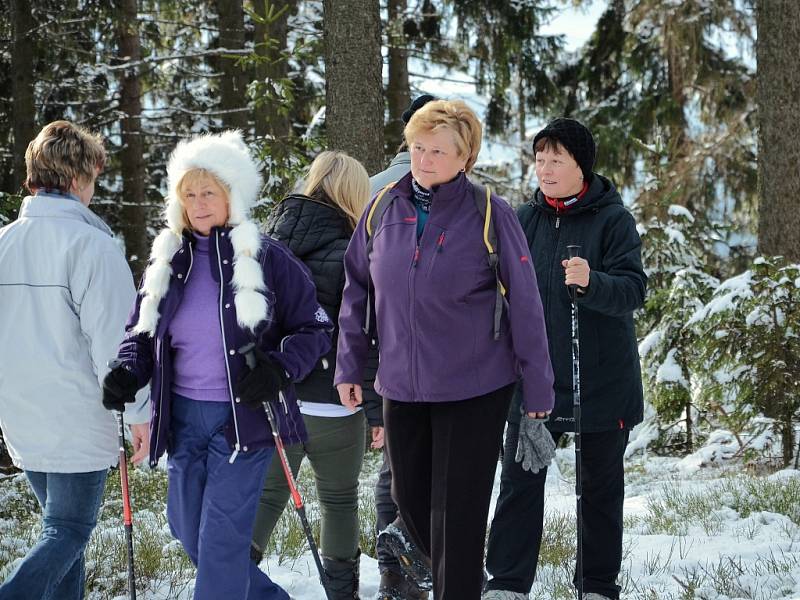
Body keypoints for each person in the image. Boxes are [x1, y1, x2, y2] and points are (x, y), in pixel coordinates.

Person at [334, 99, 555, 600]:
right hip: (402, 385)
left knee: (457, 516)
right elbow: (355, 290)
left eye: (438, 150)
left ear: (465, 158)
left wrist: (539, 386)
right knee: (408, 501)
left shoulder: (488, 213)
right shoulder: (383, 207)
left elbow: (525, 302)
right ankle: (449, 576)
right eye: (417, 147)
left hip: (474, 386)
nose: (424, 159)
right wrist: (349, 363)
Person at [102, 131, 332, 600]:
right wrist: (127, 371)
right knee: (189, 530)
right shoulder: (168, 262)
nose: (198, 203)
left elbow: (315, 327)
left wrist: (279, 368)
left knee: (223, 540)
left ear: (232, 194)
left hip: (243, 420)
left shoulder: (267, 257)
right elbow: (141, 336)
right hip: (185, 418)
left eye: (208, 192)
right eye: (189, 194)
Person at [482, 118, 647, 600]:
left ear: (581, 166)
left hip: (601, 379)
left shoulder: (612, 219)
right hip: (536, 381)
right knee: (520, 481)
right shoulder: (523, 218)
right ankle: (507, 584)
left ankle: (596, 585)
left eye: (558, 159)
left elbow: (634, 290)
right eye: (540, 158)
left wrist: (594, 281)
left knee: (599, 490)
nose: (546, 168)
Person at [0, 120, 149, 600]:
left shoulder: (4, 244)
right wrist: (141, 414)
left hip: (21, 412)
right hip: (75, 414)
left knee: (63, 540)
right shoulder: (91, 246)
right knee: (67, 530)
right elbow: (119, 343)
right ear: (80, 179)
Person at [251, 150, 381, 599]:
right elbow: (365, 331)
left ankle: (231, 579)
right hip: (335, 399)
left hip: (275, 396)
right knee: (340, 499)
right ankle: (342, 594)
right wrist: (376, 403)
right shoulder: (357, 249)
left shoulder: (266, 242)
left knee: (266, 497)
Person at [368, 93, 437, 600]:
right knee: (434, 464)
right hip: (432, 351)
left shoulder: (368, 190)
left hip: (379, 347)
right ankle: (424, 565)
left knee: (395, 462)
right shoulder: (457, 193)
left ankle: (394, 573)